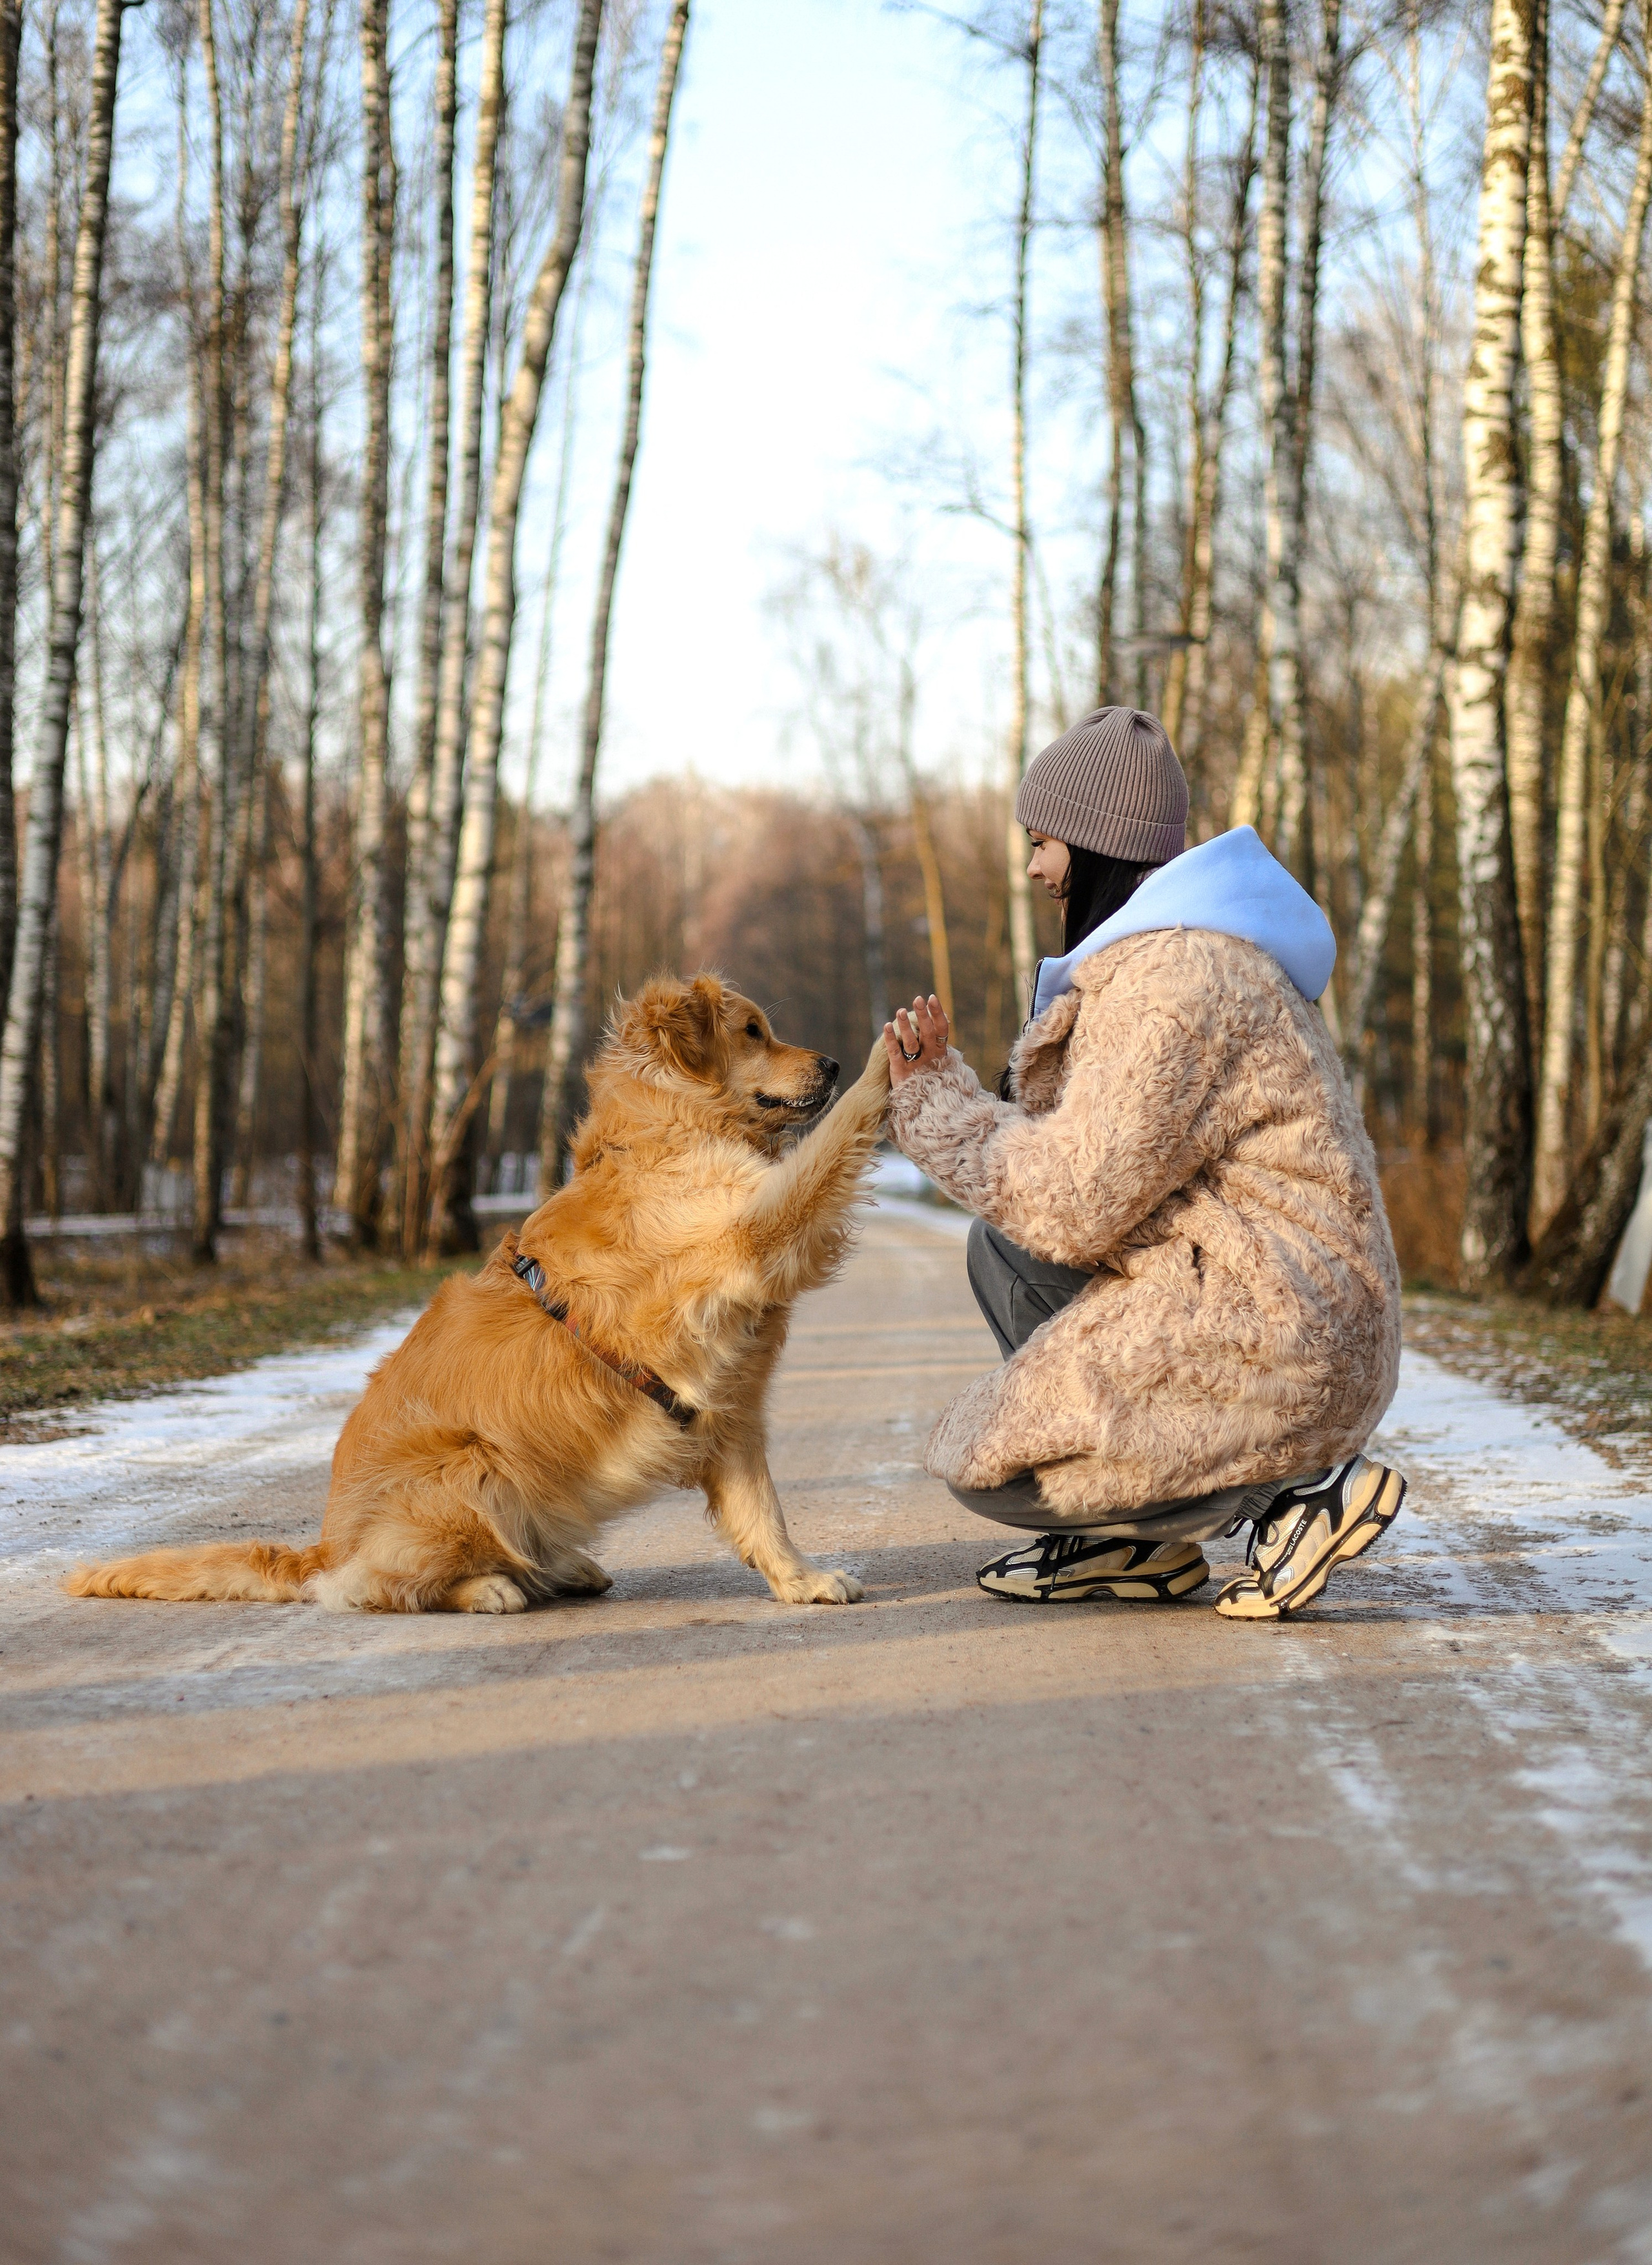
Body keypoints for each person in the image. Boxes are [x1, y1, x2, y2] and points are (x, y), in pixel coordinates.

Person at [881, 706, 1404, 1620]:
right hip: (1282, 1293)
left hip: (1289, 1324)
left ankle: (1293, 1497)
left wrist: (932, 1103)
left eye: (1043, 841)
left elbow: (1074, 1200)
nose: (1036, 867)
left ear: (1093, 842)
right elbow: (1080, 1181)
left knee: (1005, 1469)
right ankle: (1142, 1544)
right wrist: (947, 1089)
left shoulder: (1176, 979)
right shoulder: (1169, 956)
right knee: (1003, 1253)